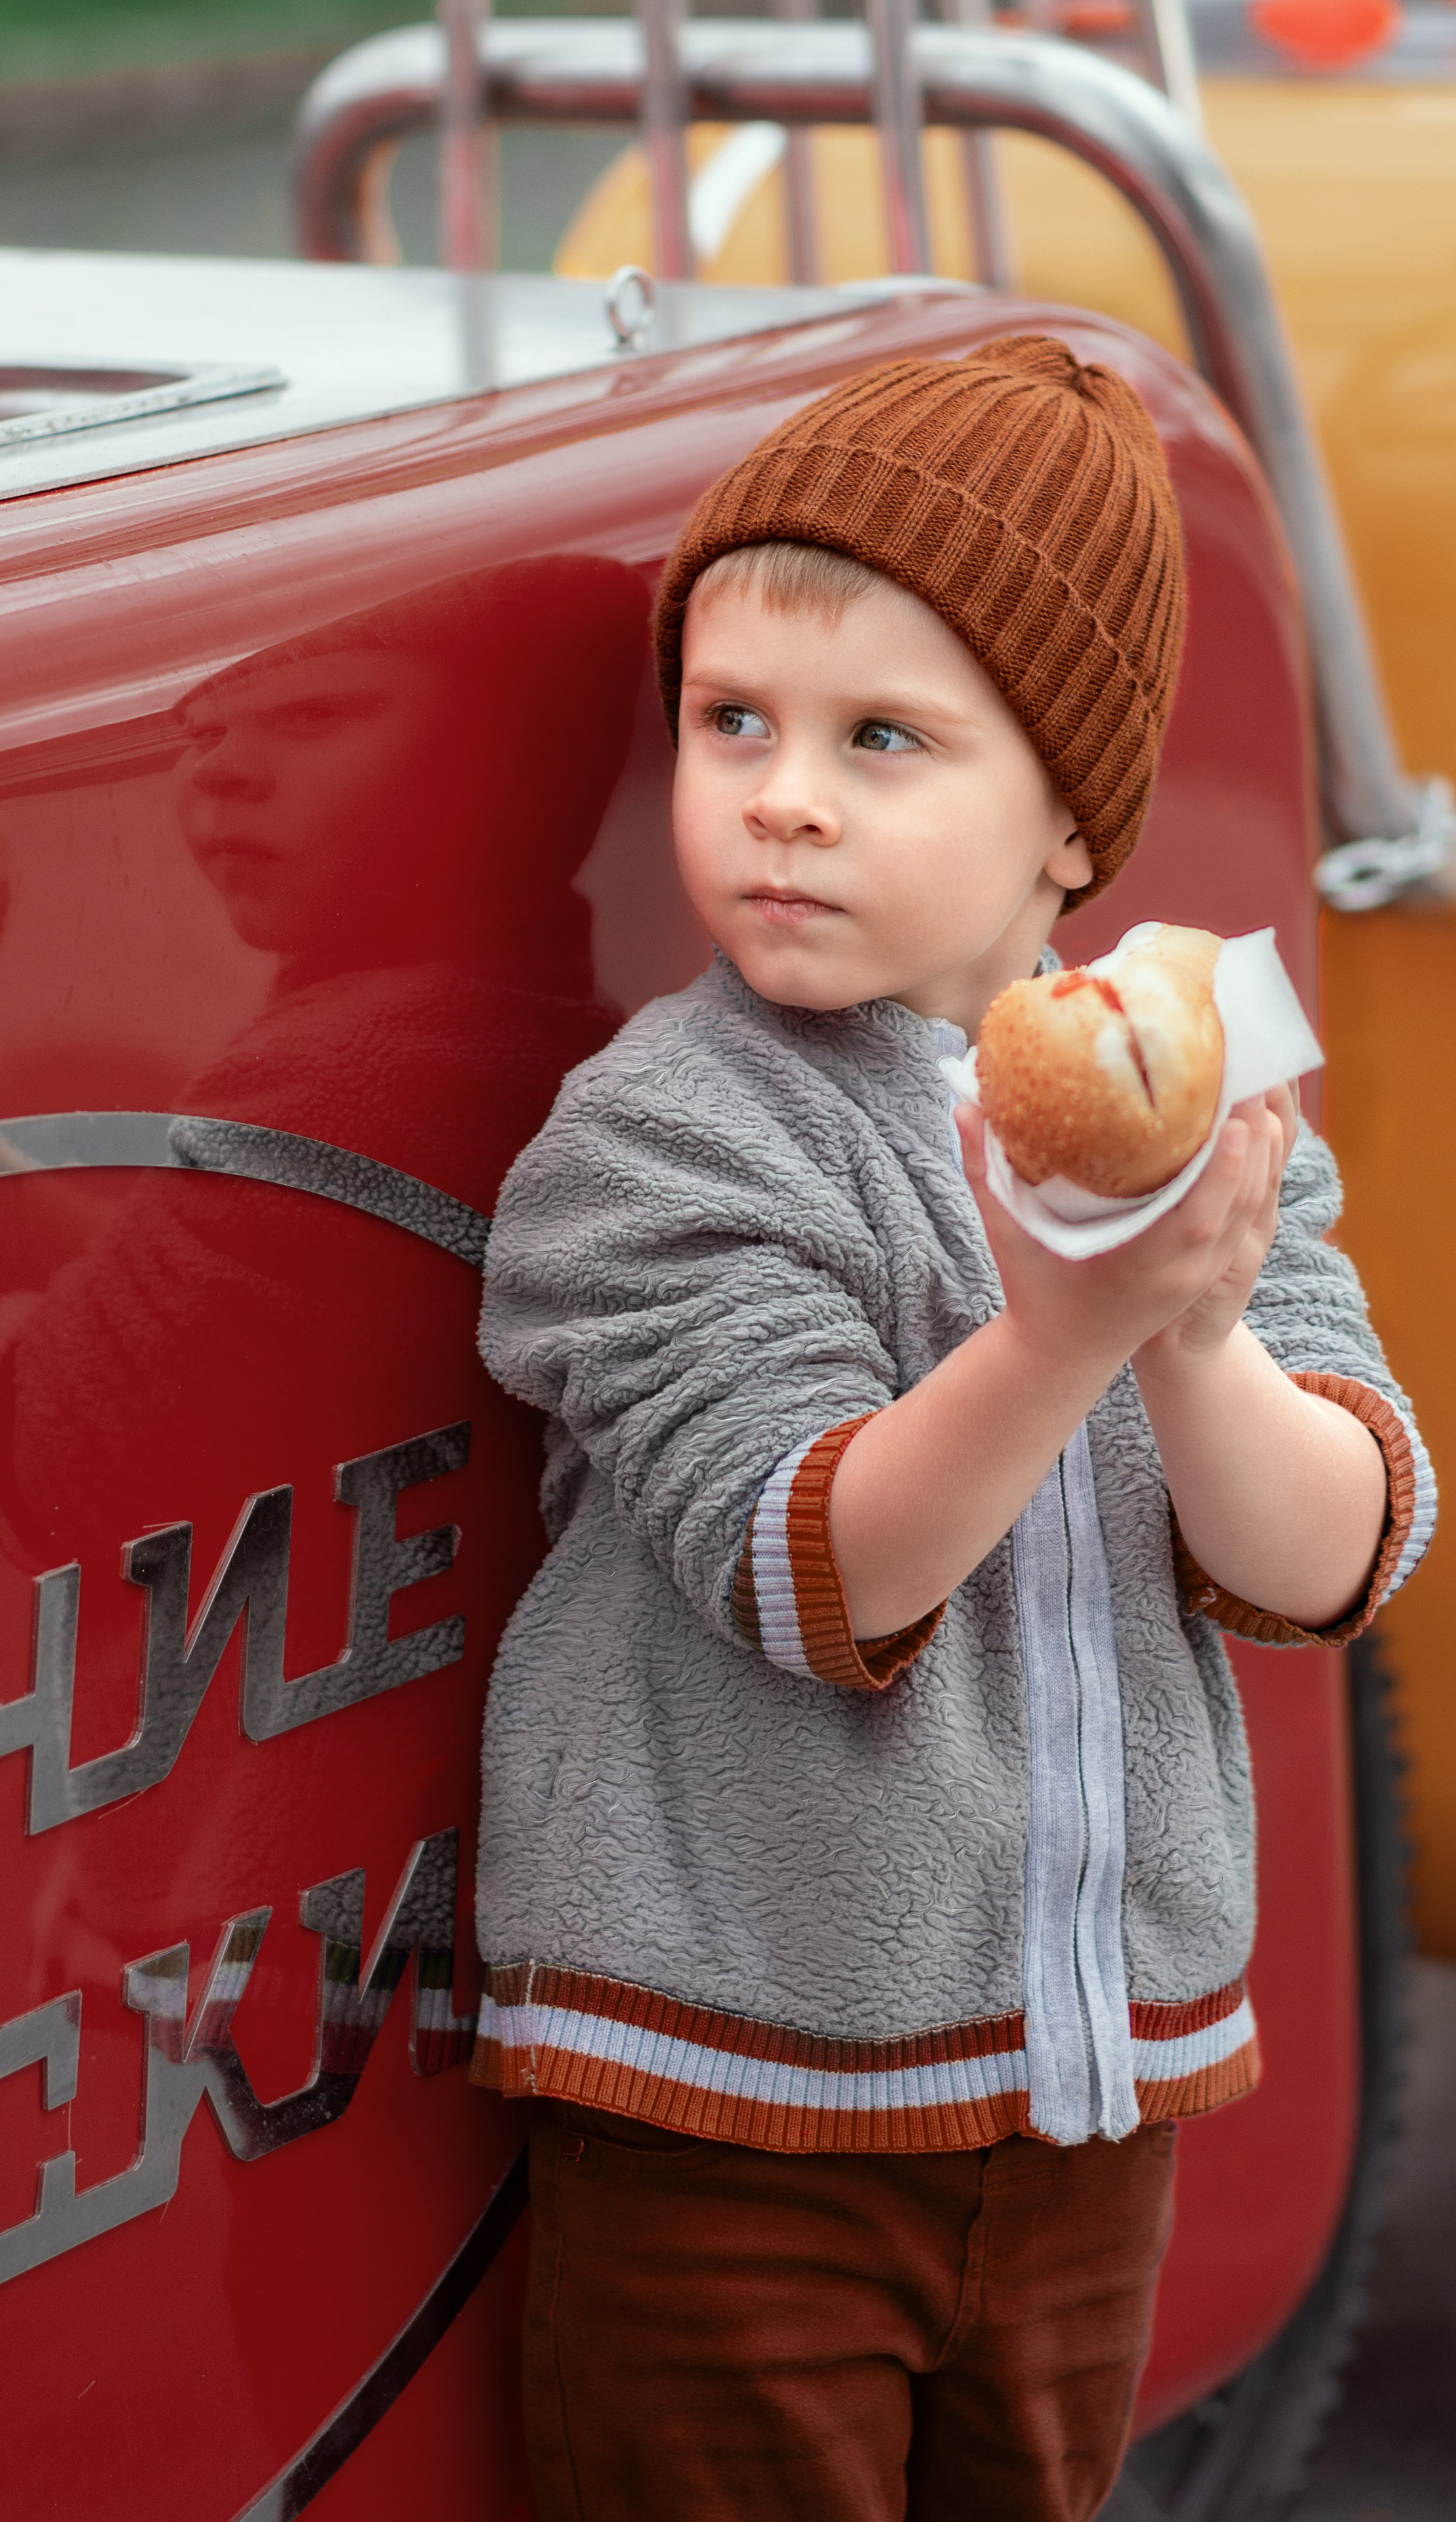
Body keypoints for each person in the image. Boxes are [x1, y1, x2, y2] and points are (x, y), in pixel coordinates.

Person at [468, 337, 1436, 2521]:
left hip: (1092, 2109)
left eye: (881, 739)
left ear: (1074, 817)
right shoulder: (657, 1139)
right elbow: (818, 1567)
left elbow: (1337, 1553)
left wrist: (1186, 1327)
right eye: (734, 723)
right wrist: (1072, 1325)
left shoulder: (1195, 1092)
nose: (781, 795)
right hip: (734, 2108)